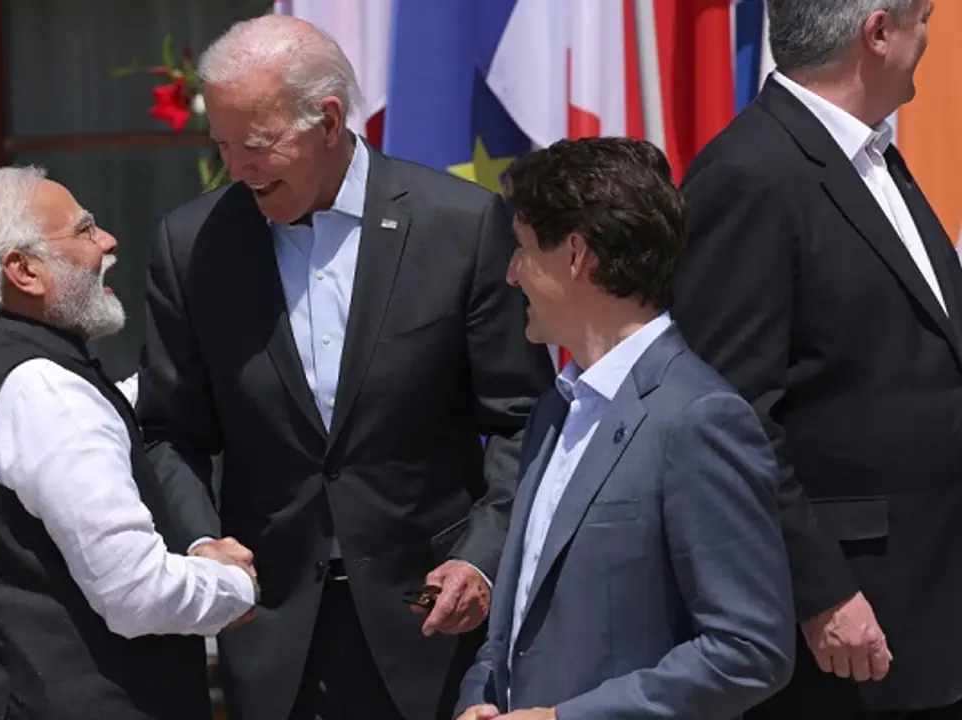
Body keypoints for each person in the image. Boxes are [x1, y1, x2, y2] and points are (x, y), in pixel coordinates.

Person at [136, 15, 552, 720]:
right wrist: (202, 541)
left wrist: (482, 557)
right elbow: (166, 430)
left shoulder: (459, 223)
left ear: (328, 120)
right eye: (222, 146)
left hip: (428, 620)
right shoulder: (193, 244)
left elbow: (525, 420)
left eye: (257, 144)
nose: (236, 168)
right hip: (270, 629)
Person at [672, 0, 962, 716]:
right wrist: (821, 590)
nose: (929, 37)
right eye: (922, 18)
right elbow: (728, 414)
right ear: (879, 34)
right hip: (849, 630)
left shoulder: (873, 156)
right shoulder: (751, 174)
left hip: (932, 601)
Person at [455, 137, 795, 720]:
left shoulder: (698, 419)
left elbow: (749, 649)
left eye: (524, 249)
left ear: (576, 255)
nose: (511, 275)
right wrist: (479, 700)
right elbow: (514, 624)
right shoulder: (552, 411)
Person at [0, 166, 259, 720]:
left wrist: (202, 367)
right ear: (23, 270)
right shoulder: (44, 389)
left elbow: (94, 417)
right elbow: (136, 592)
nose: (107, 242)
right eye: (84, 230)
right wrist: (232, 583)